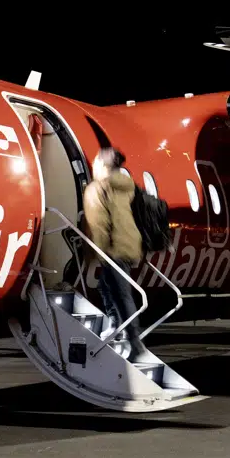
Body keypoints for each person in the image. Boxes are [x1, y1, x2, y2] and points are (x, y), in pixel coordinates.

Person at [83, 146, 146, 361]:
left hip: (113, 249)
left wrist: (94, 254)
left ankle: (135, 343)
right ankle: (115, 325)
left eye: (95, 162)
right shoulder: (126, 187)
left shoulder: (96, 189)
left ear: (101, 165)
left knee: (121, 294)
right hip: (130, 244)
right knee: (106, 285)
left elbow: (98, 224)